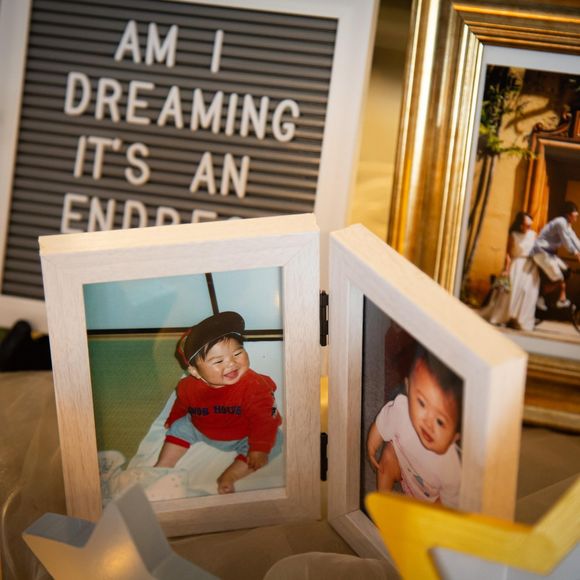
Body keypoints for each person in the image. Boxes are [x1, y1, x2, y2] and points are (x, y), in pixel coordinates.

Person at [154, 311, 283, 494]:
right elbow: (182, 404)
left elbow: (266, 418)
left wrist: (259, 448)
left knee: (273, 441)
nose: (231, 363)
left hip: (243, 434)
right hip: (200, 427)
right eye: (218, 361)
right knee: (180, 426)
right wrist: (174, 418)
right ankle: (162, 467)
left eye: (237, 353)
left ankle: (230, 476)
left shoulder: (255, 387)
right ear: (195, 372)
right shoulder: (187, 387)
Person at [366, 346, 462, 508]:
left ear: (455, 436)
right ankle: (383, 503)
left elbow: (449, 502)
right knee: (389, 455)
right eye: (422, 403)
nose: (428, 423)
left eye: (440, 421)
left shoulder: (452, 468)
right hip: (404, 467)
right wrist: (372, 444)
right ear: (408, 388)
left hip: (430, 497)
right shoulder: (401, 411)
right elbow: (382, 424)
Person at [480, 211, 540, 331]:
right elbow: (508, 254)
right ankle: (506, 317)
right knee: (511, 292)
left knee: (527, 292)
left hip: (530, 267)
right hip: (517, 265)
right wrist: (507, 268)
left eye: (530, 224)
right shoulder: (513, 235)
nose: (529, 227)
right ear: (520, 225)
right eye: (527, 225)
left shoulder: (533, 235)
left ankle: (520, 319)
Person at [532, 200, 580, 309]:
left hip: (549, 254)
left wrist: (578, 250)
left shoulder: (567, 225)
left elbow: (575, 240)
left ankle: (561, 299)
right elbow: (566, 240)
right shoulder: (560, 222)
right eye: (575, 214)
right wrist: (576, 253)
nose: (577, 216)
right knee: (559, 279)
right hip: (541, 252)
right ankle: (540, 296)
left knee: (567, 272)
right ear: (568, 214)